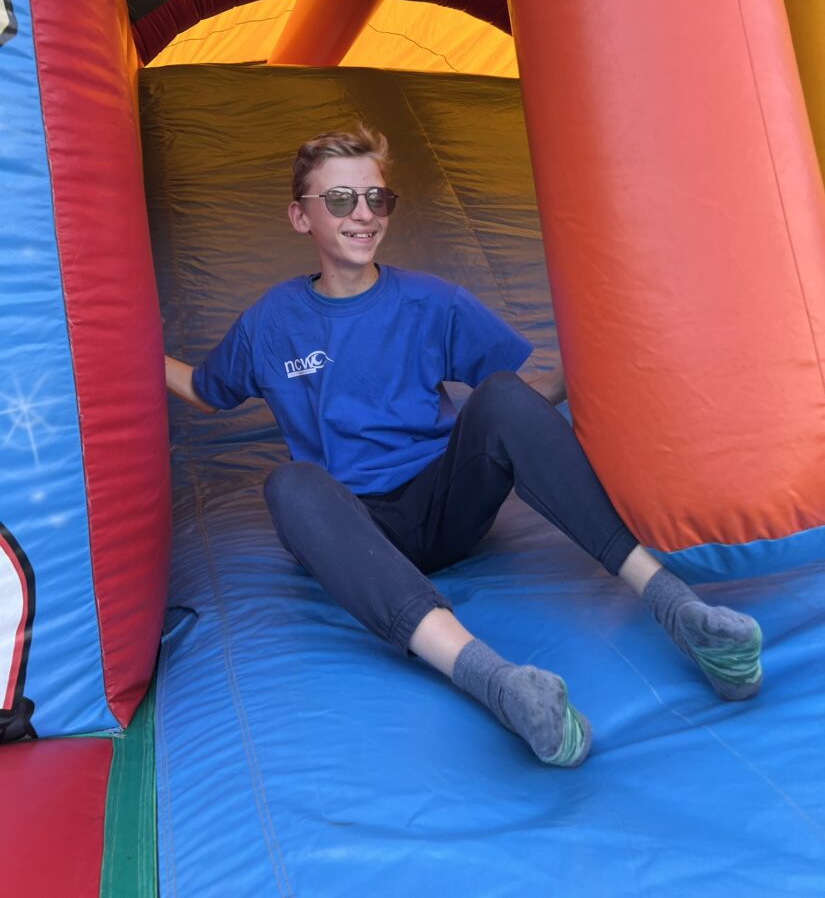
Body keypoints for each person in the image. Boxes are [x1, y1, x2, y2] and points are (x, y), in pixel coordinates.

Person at [165, 126, 763, 768]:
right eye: (340, 200)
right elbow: (204, 389)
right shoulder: (272, 322)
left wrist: (589, 366)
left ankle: (677, 607)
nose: (362, 215)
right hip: (354, 528)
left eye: (376, 198)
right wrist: (119, 347)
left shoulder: (431, 301)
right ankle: (496, 682)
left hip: (444, 506)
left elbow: (517, 403)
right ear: (300, 216)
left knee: (503, 393)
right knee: (288, 485)